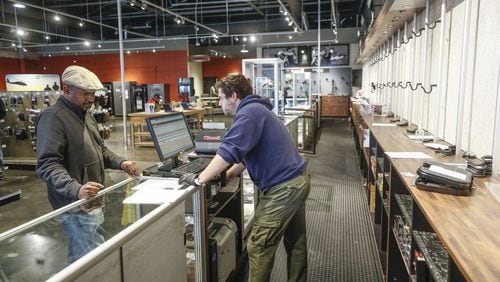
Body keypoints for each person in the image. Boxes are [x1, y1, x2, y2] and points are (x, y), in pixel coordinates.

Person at [178, 74, 311, 282]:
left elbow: (227, 152)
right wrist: (229, 174)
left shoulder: (248, 114)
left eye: (221, 98)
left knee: (258, 246)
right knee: (296, 244)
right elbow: (247, 153)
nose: (219, 104)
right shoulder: (258, 109)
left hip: (283, 190)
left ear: (233, 96)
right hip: (297, 182)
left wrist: (199, 179)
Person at [35, 65, 140, 264]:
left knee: (84, 256)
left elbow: (100, 150)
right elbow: (47, 165)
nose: (91, 99)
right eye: (85, 93)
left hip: (93, 198)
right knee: (90, 258)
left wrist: (122, 162)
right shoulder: (53, 118)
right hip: (75, 204)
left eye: (92, 94)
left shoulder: (85, 114)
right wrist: (76, 189)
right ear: (66, 90)